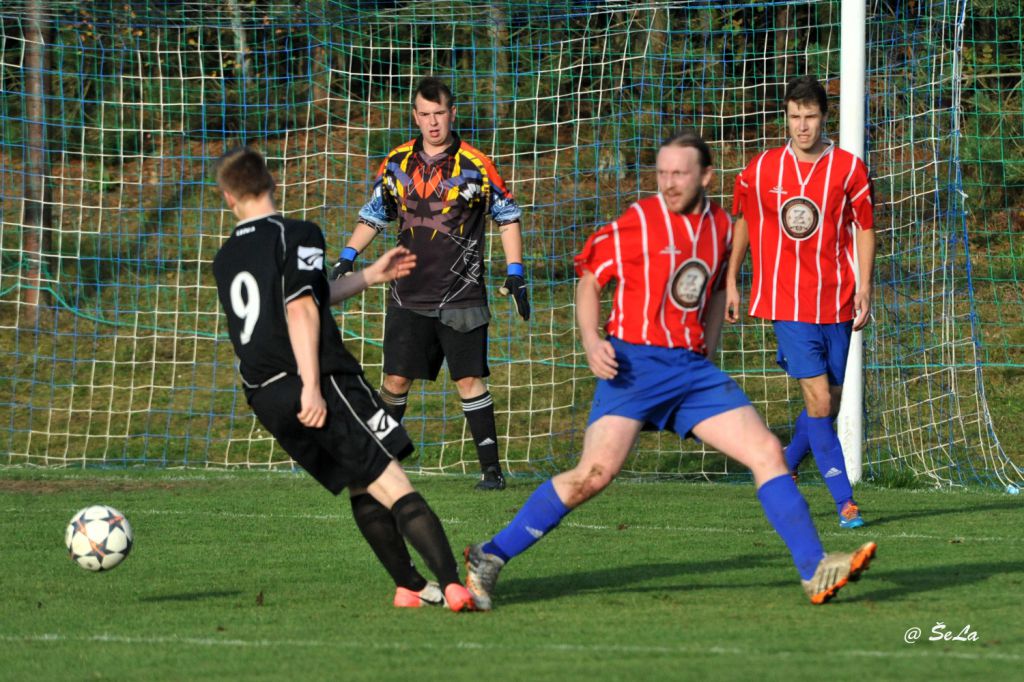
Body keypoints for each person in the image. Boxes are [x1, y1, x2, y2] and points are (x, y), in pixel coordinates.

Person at [463, 131, 877, 609]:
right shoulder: (639, 221)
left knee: (766, 450)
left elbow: (717, 288)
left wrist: (709, 350)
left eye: (680, 173)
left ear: (706, 176)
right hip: (634, 368)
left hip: (691, 372)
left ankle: (815, 570)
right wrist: (592, 339)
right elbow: (591, 279)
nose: (669, 182)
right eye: (662, 173)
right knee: (592, 475)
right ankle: (490, 556)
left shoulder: (720, 227)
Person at [211, 146, 474, 611]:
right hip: (317, 379)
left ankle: (409, 586)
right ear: (272, 182)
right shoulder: (296, 233)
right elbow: (300, 309)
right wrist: (312, 386)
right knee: (391, 479)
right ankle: (454, 586)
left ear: (229, 196)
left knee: (362, 479)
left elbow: (304, 296)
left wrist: (369, 276)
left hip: (264, 395)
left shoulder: (226, 256)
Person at [329, 77, 528, 491]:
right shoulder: (396, 162)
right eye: (425, 114)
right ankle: (375, 465)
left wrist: (516, 272)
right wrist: (347, 256)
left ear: (452, 113)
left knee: (468, 381)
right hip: (407, 293)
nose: (433, 122)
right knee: (394, 380)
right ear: (415, 116)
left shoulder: (477, 163)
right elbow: (374, 215)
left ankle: (491, 472)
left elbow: (507, 217)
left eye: (440, 113)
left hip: (462, 294)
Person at [725, 75, 876, 529]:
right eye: (795, 117)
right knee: (820, 403)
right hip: (786, 302)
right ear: (786, 117)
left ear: (825, 117)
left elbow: (865, 228)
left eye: (810, 116)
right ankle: (845, 503)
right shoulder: (762, 168)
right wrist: (731, 278)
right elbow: (743, 220)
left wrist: (865, 286)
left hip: (837, 300)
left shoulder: (848, 169)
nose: (802, 126)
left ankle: (783, 464)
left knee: (828, 402)